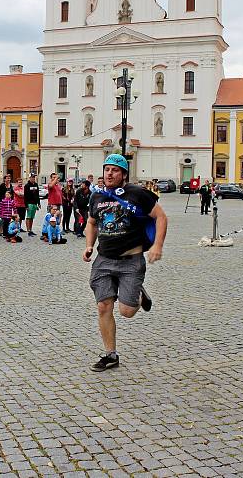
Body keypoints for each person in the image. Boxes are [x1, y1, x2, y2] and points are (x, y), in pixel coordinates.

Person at [84, 154, 168, 372]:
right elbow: (92, 223)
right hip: (104, 260)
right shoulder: (97, 197)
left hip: (131, 260)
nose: (110, 174)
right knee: (103, 306)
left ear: (123, 174)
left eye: (115, 170)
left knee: (127, 312)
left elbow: (161, 217)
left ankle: (138, 294)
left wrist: (157, 245)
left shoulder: (137, 194)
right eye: (107, 169)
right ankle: (110, 355)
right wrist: (89, 246)